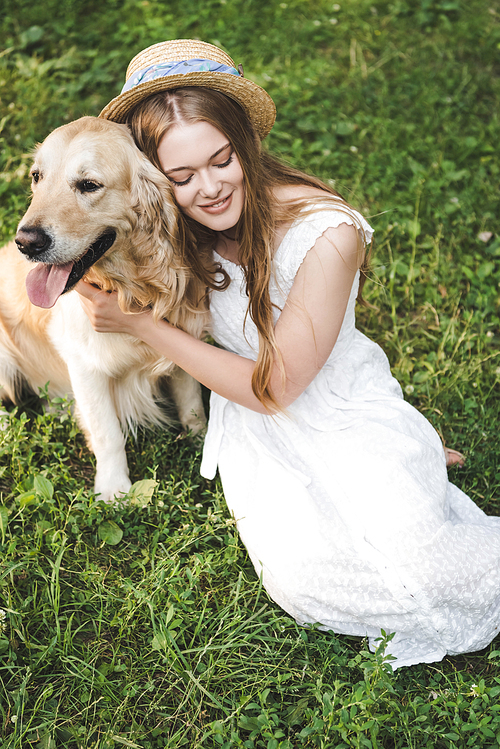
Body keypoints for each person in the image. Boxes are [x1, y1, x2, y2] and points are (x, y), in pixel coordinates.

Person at [78, 39, 500, 669]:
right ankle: (412, 463)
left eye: (222, 160)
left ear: (244, 143)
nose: (211, 188)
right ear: (154, 183)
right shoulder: (175, 224)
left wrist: (142, 326)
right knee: (308, 579)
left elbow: (277, 386)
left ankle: (404, 453)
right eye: (182, 177)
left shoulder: (326, 234)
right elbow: (80, 210)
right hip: (262, 428)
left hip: (325, 401)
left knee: (425, 572)